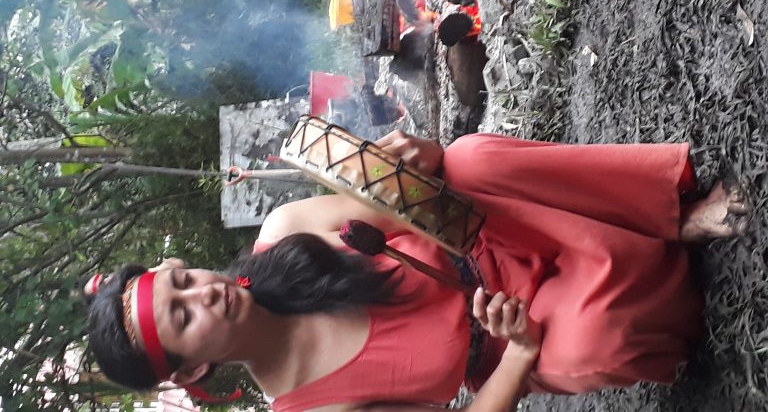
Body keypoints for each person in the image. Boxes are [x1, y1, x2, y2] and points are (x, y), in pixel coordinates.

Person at [86, 130, 749, 411]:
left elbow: (420, 199)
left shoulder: (284, 233)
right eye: (183, 317)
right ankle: (657, 284)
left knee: (472, 159)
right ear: (193, 371)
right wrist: (521, 352)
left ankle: (669, 216)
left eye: (183, 282)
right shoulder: (309, 406)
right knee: (595, 339)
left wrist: (420, 158)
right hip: (516, 333)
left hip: (500, 235)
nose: (205, 293)